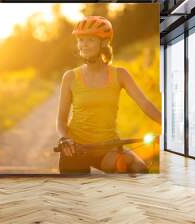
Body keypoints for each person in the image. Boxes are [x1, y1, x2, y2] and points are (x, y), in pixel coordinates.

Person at [56, 16, 161, 174]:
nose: (83, 45)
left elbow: (145, 104)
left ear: (104, 43)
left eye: (90, 39)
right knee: (76, 193)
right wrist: (66, 139)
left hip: (107, 149)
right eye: (81, 40)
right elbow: (61, 120)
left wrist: (167, 126)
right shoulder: (70, 77)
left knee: (138, 168)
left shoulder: (120, 74)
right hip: (76, 148)